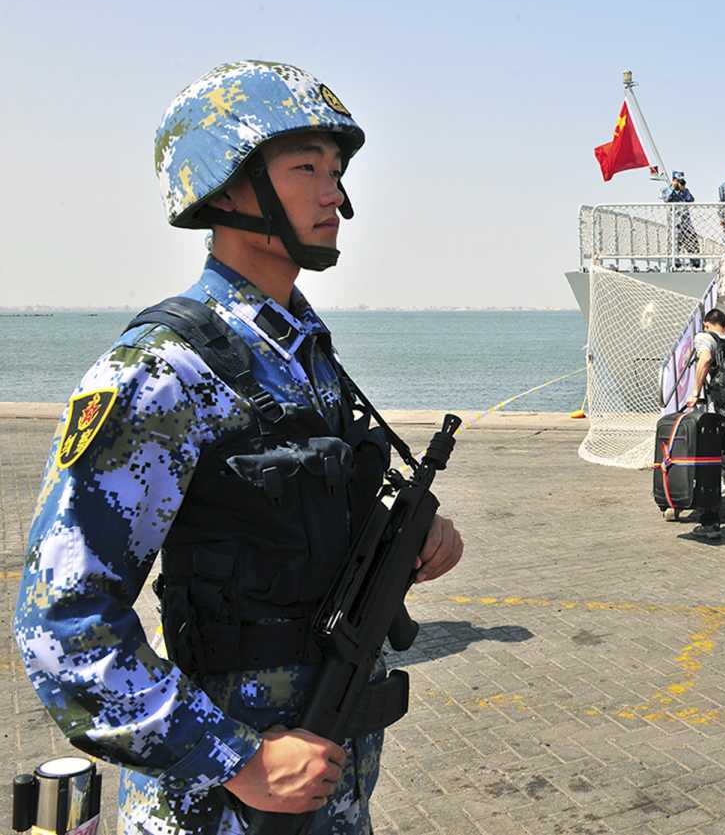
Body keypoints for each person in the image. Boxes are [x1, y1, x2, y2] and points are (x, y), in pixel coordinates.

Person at [12, 60, 465, 835]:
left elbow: (300, 525)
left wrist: (412, 536)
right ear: (226, 189)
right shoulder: (163, 370)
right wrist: (235, 758)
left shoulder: (301, 352)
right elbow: (62, 626)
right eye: (304, 168)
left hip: (329, 793)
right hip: (217, 810)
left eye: (336, 171)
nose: (336, 196)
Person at [686, 309, 725, 540]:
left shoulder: (704, 337)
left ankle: (710, 523)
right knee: (721, 442)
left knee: (708, 463)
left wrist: (695, 391)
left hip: (715, 405)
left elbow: (706, 359)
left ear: (707, 324)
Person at [662, 170, 702, 269]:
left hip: (686, 221)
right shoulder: (666, 190)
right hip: (674, 221)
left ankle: (695, 262)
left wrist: (683, 190)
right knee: (675, 242)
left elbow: (691, 200)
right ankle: (676, 263)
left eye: (681, 181)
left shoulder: (685, 191)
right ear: (673, 180)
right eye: (677, 180)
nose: (679, 183)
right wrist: (673, 188)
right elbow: (666, 199)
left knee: (692, 240)